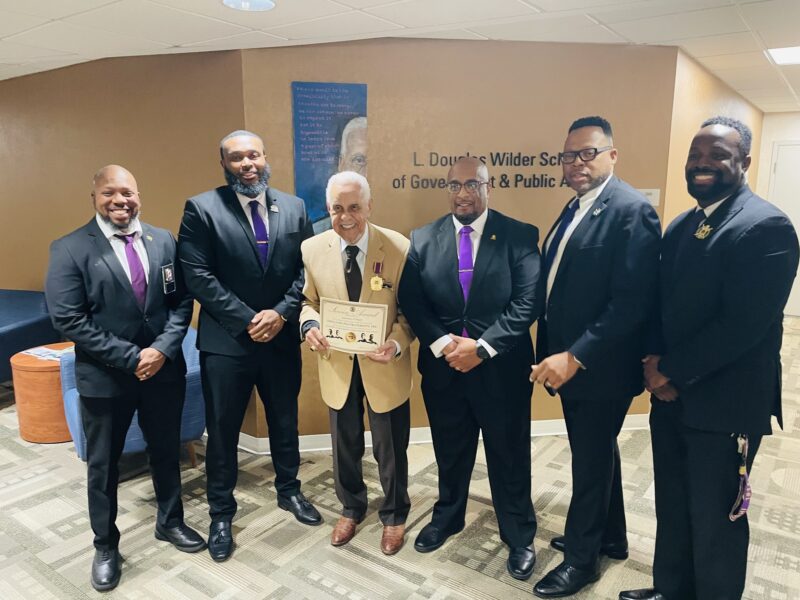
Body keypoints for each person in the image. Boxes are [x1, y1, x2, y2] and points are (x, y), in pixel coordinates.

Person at [621, 116, 799, 600]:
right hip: (671, 398)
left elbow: (742, 326)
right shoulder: (684, 224)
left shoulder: (766, 226)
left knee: (717, 517)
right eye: (695, 156)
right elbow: (658, 303)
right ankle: (671, 589)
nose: (703, 165)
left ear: (743, 161)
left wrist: (669, 369)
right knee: (674, 504)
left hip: (725, 406)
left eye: (717, 155)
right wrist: (654, 364)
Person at [45, 165, 205, 592]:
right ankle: (105, 545)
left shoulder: (163, 240)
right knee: (103, 466)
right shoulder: (70, 248)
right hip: (106, 378)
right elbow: (68, 319)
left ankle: (170, 522)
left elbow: (180, 301)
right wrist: (132, 357)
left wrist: (163, 349)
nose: (121, 201)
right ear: (94, 197)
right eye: (111, 193)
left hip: (162, 372)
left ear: (139, 195)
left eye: (129, 193)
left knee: (165, 451)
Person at [530, 117, 661, 597]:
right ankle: (612, 536)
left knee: (588, 462)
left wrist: (575, 356)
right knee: (597, 451)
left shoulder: (631, 210)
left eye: (588, 153)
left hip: (598, 367)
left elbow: (631, 302)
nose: (577, 163)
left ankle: (582, 562)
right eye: (569, 156)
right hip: (572, 364)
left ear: (612, 155)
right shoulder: (576, 206)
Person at [177, 130, 319, 563]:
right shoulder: (201, 209)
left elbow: (306, 269)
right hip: (227, 345)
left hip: (279, 339)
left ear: (264, 156)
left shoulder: (294, 207)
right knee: (221, 433)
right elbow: (198, 275)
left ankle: (289, 490)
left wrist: (279, 314)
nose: (247, 164)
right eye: (236, 158)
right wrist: (247, 319)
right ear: (224, 163)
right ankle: (221, 513)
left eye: (253, 155)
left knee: (284, 420)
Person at [398, 156, 542, 581]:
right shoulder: (422, 238)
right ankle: (448, 516)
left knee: (509, 453)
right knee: (450, 449)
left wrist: (481, 348)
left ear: (488, 186)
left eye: (473, 184)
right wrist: (445, 345)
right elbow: (413, 301)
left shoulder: (519, 235)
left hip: (501, 369)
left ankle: (518, 533)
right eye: (455, 185)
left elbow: (527, 303)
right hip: (444, 369)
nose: (463, 192)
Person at [300, 171, 414, 555]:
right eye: (337, 208)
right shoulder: (312, 249)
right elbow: (307, 302)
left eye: (354, 207)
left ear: (369, 206)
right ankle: (351, 506)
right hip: (337, 366)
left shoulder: (398, 247)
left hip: (384, 366)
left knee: (390, 447)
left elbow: (411, 314)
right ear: (328, 209)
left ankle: (395, 513)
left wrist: (396, 345)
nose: (345, 216)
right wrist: (310, 325)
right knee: (344, 445)